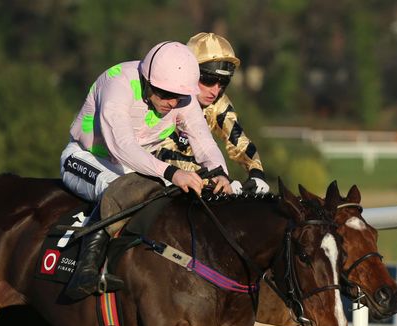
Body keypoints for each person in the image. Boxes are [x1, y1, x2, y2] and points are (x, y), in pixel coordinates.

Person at [61, 41, 232, 299]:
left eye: (178, 97)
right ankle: (86, 270)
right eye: (165, 94)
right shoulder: (117, 83)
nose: (172, 103)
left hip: (137, 167)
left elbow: (204, 141)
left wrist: (220, 173)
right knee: (119, 189)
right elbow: (122, 146)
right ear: (148, 81)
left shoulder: (182, 98)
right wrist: (172, 173)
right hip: (86, 157)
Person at [154, 32, 270, 194]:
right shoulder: (170, 98)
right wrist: (217, 177)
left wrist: (256, 172)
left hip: (196, 177)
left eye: (223, 82)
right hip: (148, 170)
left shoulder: (218, 102)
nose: (215, 91)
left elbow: (238, 140)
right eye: (208, 80)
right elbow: (165, 153)